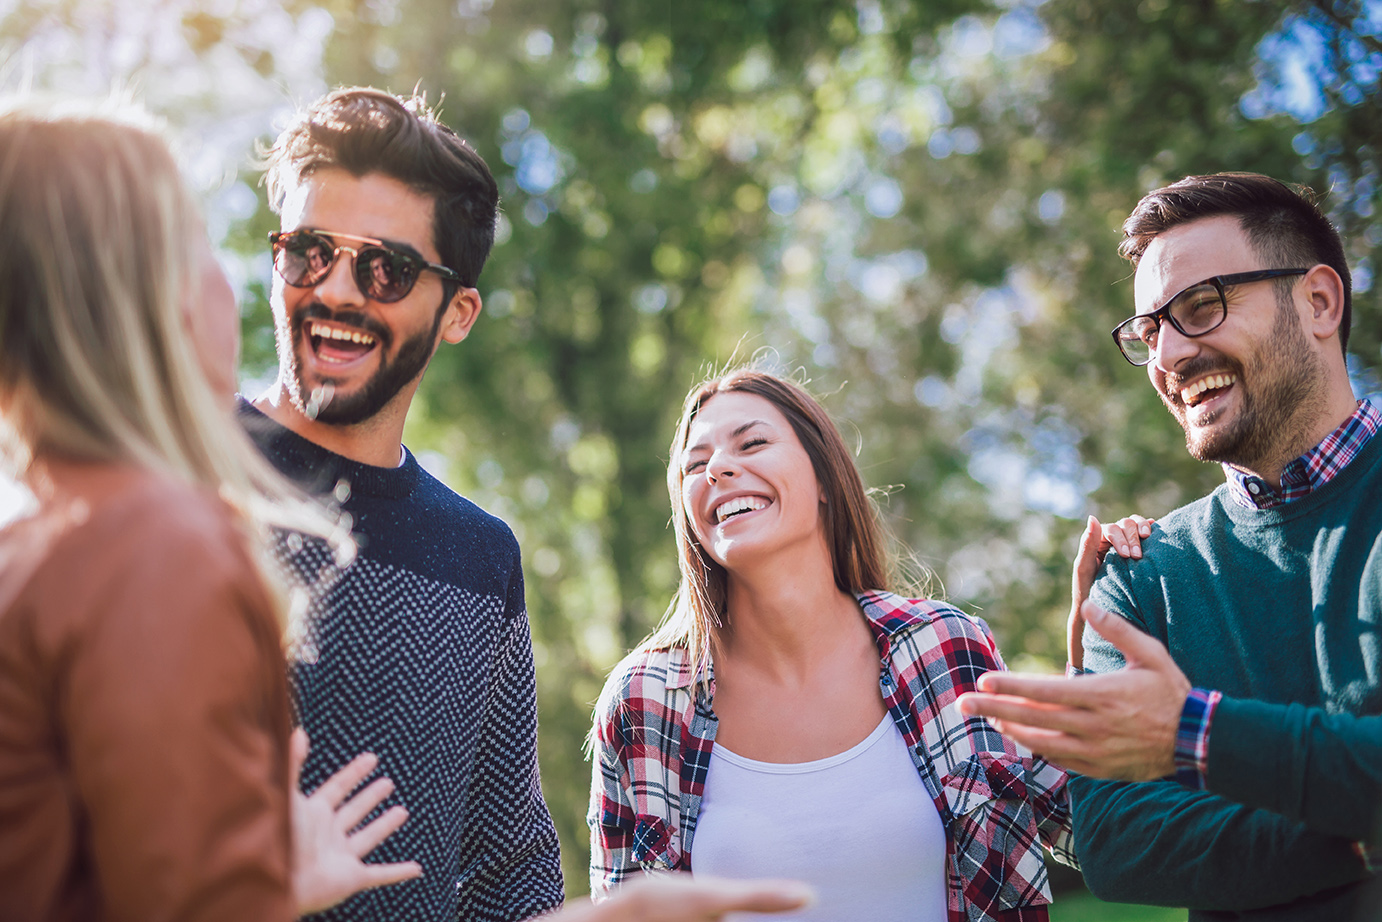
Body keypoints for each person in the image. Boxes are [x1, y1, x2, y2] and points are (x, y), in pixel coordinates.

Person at [0, 101, 422, 922]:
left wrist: (262, 883)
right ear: (140, 297)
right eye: (197, 240)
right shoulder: (156, 548)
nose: (225, 279)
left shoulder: (34, 545)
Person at [959, 172, 1382, 919]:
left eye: (1202, 306)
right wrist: (1344, 835)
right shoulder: (1140, 574)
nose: (1171, 356)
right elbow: (1120, 842)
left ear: (1319, 301)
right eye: (1152, 331)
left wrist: (1194, 734)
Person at [588, 367, 1077, 922]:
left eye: (753, 443)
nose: (718, 468)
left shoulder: (945, 649)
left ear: (824, 479)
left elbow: (1096, 830)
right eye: (695, 465)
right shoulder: (642, 704)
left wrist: (1101, 661)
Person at [242, 86, 564, 922]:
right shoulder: (162, 473)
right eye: (310, 251)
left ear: (457, 312)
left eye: (386, 268)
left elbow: (509, 867)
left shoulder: (478, 558)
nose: (339, 291)